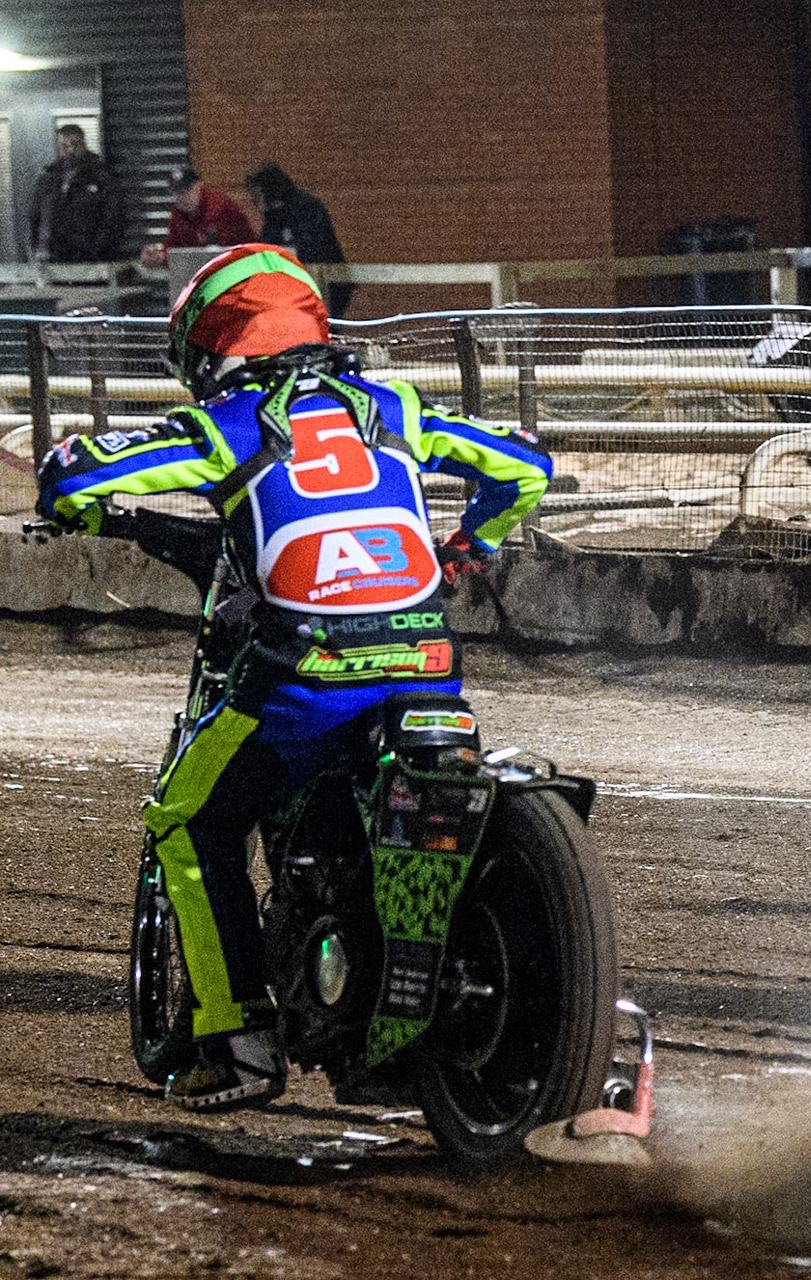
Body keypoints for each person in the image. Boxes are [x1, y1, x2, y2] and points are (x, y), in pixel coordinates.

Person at [34, 244, 551, 1109]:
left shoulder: (226, 425)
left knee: (187, 818)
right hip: (427, 665)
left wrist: (67, 486)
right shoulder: (395, 408)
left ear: (215, 349)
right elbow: (525, 466)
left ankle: (237, 1041)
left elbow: (78, 475)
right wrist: (473, 545)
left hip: (303, 676)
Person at [245, 163, 353, 318]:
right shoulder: (274, 214)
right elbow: (266, 245)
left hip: (325, 281)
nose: (255, 201)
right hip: (294, 283)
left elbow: (311, 247)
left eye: (257, 194)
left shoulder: (305, 207)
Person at [26, 124, 122, 264]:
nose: (70, 150)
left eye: (75, 144)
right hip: (53, 260)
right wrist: (35, 252)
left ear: (84, 145)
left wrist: (98, 250)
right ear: (58, 149)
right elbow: (34, 219)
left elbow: (114, 218)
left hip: (90, 261)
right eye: (64, 146)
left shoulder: (101, 177)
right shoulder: (47, 180)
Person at [140, 167, 256, 267]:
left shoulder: (217, 207)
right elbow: (174, 248)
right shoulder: (178, 212)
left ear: (198, 186)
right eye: (176, 192)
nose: (182, 197)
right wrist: (160, 256)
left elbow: (214, 255)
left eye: (186, 190)